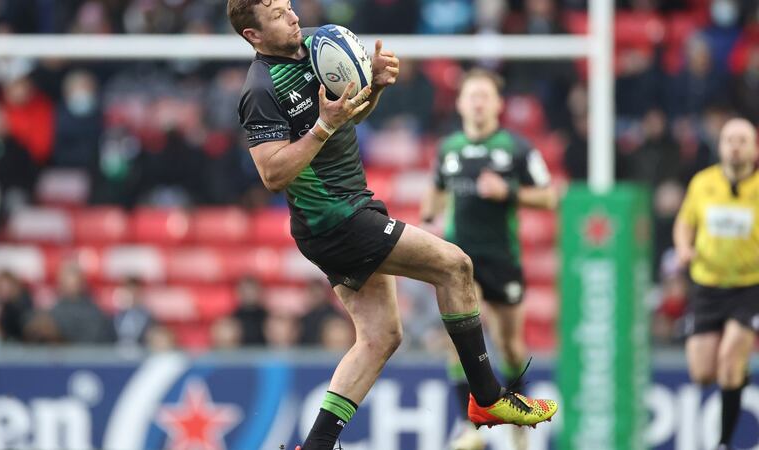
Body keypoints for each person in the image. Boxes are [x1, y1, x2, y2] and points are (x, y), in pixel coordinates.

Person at [228, 1, 558, 449]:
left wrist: (374, 87)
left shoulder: (318, 42)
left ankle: (318, 445)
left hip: (352, 209)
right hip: (335, 220)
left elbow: (352, 114)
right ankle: (488, 396)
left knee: (381, 335)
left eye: (287, 4)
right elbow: (272, 174)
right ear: (254, 35)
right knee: (455, 266)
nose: (290, 14)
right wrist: (323, 125)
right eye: (275, 12)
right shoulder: (261, 88)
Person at [421, 69, 557, 450]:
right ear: (461, 103)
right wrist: (428, 213)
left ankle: (517, 424)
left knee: (509, 344)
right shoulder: (448, 150)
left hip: (503, 257)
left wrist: (507, 191)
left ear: (498, 105)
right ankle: (471, 426)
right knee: (459, 333)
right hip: (460, 257)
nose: (478, 102)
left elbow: (548, 197)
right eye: (472, 95)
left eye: (485, 95)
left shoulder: (517, 148)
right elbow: (433, 196)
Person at [673, 118, 759, 450]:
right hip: (707, 286)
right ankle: (738, 377)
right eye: (729, 139)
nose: (735, 145)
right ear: (721, 146)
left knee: (730, 356)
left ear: (753, 148)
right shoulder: (703, 183)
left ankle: (723, 443)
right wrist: (683, 247)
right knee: (702, 373)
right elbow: (684, 223)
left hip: (750, 287)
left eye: (742, 140)